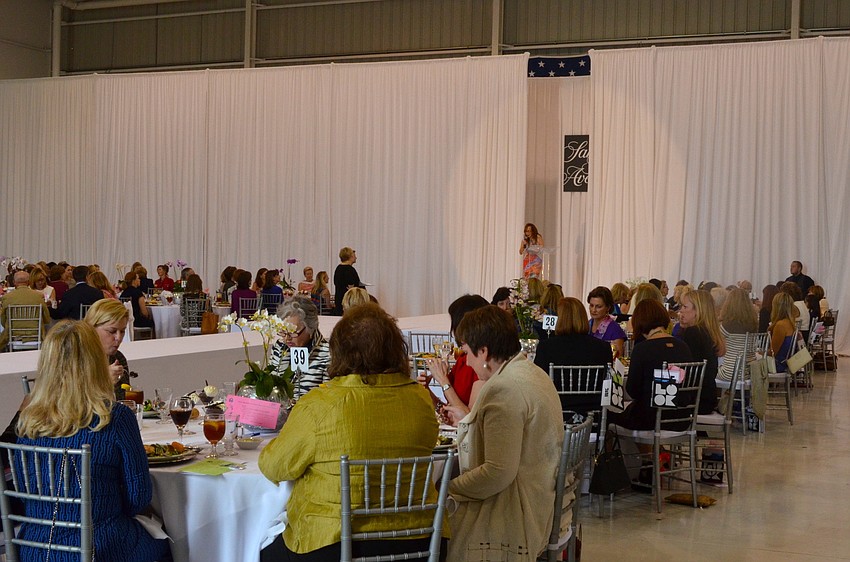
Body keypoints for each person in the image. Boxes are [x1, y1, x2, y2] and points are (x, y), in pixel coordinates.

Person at [258, 303, 441, 561]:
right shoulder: (420, 399)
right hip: (416, 540)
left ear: (339, 351)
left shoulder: (321, 404)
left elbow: (274, 467)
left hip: (332, 541)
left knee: (256, 550)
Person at [13, 321, 171, 562]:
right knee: (171, 543)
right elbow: (138, 497)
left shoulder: (28, 421)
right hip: (103, 545)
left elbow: (25, 492)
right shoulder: (115, 417)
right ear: (96, 362)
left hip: (36, 546)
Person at [448, 305, 564, 561]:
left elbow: (497, 472)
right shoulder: (531, 372)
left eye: (467, 352)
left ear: (484, 351)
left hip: (517, 507)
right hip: (540, 491)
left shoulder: (504, 389)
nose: (466, 361)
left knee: (432, 518)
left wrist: (447, 488)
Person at [607, 299, 694, 431]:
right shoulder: (684, 346)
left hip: (650, 420)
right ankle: (659, 451)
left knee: (608, 416)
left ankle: (639, 452)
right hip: (681, 417)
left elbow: (632, 390)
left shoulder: (642, 349)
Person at [534, 297, 614, 421]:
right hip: (593, 417)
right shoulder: (603, 347)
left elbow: (538, 384)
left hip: (557, 417)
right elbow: (608, 384)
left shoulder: (546, 347)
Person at [420, 294, 489, 420]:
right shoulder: (463, 359)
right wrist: (427, 391)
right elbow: (447, 410)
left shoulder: (481, 364)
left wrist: (443, 381)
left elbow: (469, 418)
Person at [268, 297, 331, 402]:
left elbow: (328, 398)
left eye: (293, 332)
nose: (287, 338)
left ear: (310, 327)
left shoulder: (326, 353)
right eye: (283, 332)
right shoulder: (279, 347)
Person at [677, 290, 724, 413]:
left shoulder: (693, 333)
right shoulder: (707, 332)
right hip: (707, 397)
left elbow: (688, 373)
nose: (680, 310)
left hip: (695, 400)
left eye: (685, 306)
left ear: (697, 311)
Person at [85, 298, 132, 397]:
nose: (119, 338)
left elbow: (126, 399)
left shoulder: (118, 358)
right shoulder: (76, 360)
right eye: (112, 331)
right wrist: (104, 382)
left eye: (122, 331)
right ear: (92, 328)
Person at [0, 271, 52, 350]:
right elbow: (47, 319)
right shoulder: (38, 296)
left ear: (14, 282)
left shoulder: (7, 297)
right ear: (29, 282)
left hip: (13, 335)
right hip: (36, 334)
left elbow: (3, 320)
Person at [717, 288, 759, 381]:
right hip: (749, 372)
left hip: (730, 373)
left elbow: (717, 346)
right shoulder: (753, 324)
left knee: (708, 369)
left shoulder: (727, 324)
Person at [587, 286, 626, 358]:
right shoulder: (586, 325)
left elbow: (618, 358)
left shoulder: (615, 329)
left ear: (608, 307)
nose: (593, 310)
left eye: (598, 306)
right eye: (591, 305)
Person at [769, 292, 799, 372]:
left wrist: (758, 354)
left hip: (778, 364)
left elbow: (772, 353)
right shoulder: (791, 323)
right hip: (787, 362)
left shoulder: (780, 326)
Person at [122, 271, 156, 336]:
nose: (139, 280)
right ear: (134, 281)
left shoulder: (123, 293)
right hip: (137, 321)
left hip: (126, 321)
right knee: (154, 322)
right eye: (138, 278)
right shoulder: (138, 293)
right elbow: (144, 313)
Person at [333, 247, 363, 315]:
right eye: (354, 255)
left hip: (340, 300)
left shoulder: (338, 269)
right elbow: (352, 287)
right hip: (349, 302)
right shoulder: (349, 270)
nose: (356, 257)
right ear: (350, 257)